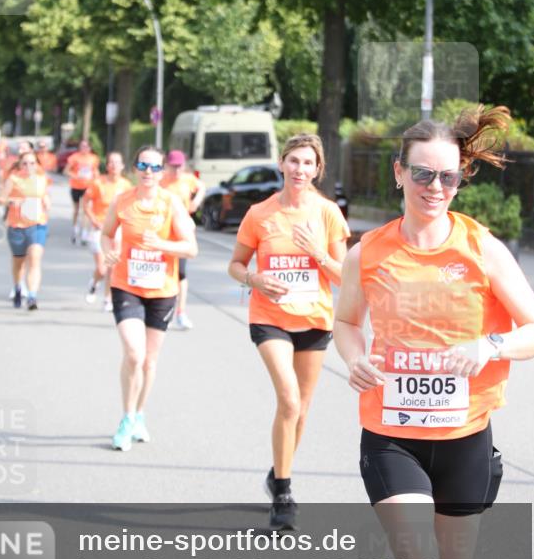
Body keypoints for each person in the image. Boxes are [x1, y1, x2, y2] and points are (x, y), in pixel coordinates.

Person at [333, 106, 534, 559]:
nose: (436, 187)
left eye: (448, 176)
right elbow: (346, 322)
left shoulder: (482, 249)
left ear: (460, 179)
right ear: (399, 172)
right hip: (390, 435)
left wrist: (488, 347)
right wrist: (355, 358)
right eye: (424, 173)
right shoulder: (368, 253)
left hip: (465, 437)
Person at [228, 133, 350, 529]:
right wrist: (254, 279)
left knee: (302, 409)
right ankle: (283, 491)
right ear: (281, 163)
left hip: (314, 319)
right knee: (289, 399)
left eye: (308, 163)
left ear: (318, 170)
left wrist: (318, 252)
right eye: (294, 161)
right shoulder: (260, 214)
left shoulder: (328, 213)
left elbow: (345, 277)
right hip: (269, 317)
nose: (300, 169)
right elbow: (235, 264)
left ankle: (276, 471)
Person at [101, 145, 198, 451]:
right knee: (134, 353)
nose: (148, 172)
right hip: (126, 285)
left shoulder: (171, 204)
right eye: (143, 166)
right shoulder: (122, 201)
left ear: (162, 172)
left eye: (155, 168)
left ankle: (140, 413)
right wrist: (108, 250)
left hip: (162, 290)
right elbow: (106, 234)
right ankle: (127, 418)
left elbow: (191, 248)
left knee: (149, 361)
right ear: (134, 168)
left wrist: (162, 245)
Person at [0, 150, 51, 311]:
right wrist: (12, 201)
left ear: (37, 165)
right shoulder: (13, 179)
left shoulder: (42, 179)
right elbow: (0, 199)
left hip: (37, 224)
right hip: (17, 226)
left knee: (35, 257)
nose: (28, 166)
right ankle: (17, 287)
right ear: (20, 165)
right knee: (19, 263)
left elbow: (45, 196)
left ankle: (32, 296)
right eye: (25, 163)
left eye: (32, 163)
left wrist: (46, 202)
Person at [160, 149, 206, 329]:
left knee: (181, 274)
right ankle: (164, 309)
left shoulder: (188, 179)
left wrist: (196, 201)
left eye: (179, 166)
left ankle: (181, 312)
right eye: (173, 166)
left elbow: (202, 186)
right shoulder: (162, 180)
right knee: (164, 272)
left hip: (183, 232)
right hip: (163, 232)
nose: (176, 170)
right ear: (167, 165)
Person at [83, 151, 132, 311]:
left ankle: (107, 298)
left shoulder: (126, 185)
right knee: (102, 268)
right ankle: (95, 282)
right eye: (111, 162)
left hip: (117, 230)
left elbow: (131, 207)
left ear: (122, 166)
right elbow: (85, 203)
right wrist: (93, 220)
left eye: (117, 163)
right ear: (107, 165)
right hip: (99, 229)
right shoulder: (98, 183)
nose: (114, 166)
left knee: (112, 266)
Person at [65, 139, 99, 244]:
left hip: (87, 187)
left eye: (86, 146)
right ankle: (75, 230)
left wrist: (96, 179)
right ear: (80, 147)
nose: (84, 149)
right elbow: (66, 170)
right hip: (75, 186)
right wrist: (76, 176)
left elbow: (95, 171)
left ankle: (84, 234)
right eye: (82, 146)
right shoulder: (74, 157)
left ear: (90, 148)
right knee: (76, 210)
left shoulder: (94, 158)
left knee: (86, 210)